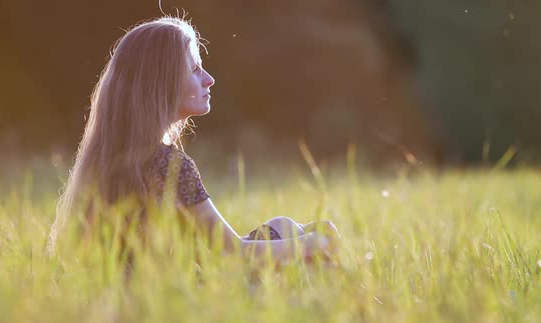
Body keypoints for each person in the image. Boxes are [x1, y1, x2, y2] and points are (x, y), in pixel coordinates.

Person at [45, 16, 341, 266]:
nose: (209, 79)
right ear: (162, 84)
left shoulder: (110, 161)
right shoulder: (169, 165)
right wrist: (312, 243)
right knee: (310, 253)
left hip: (140, 301)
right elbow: (233, 252)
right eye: (195, 69)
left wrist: (302, 237)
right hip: (171, 306)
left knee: (283, 226)